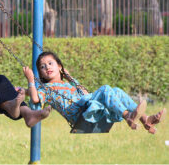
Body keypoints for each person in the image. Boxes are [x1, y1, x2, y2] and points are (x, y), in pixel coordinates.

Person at [23, 51, 166, 134]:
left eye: (50, 63)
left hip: (87, 106)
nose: (47, 67)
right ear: (40, 74)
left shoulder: (68, 83)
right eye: (42, 66)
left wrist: (71, 78)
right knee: (105, 89)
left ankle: (146, 120)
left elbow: (85, 93)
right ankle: (128, 116)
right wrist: (30, 79)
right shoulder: (46, 89)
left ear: (59, 67)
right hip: (80, 115)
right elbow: (35, 98)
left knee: (116, 91)